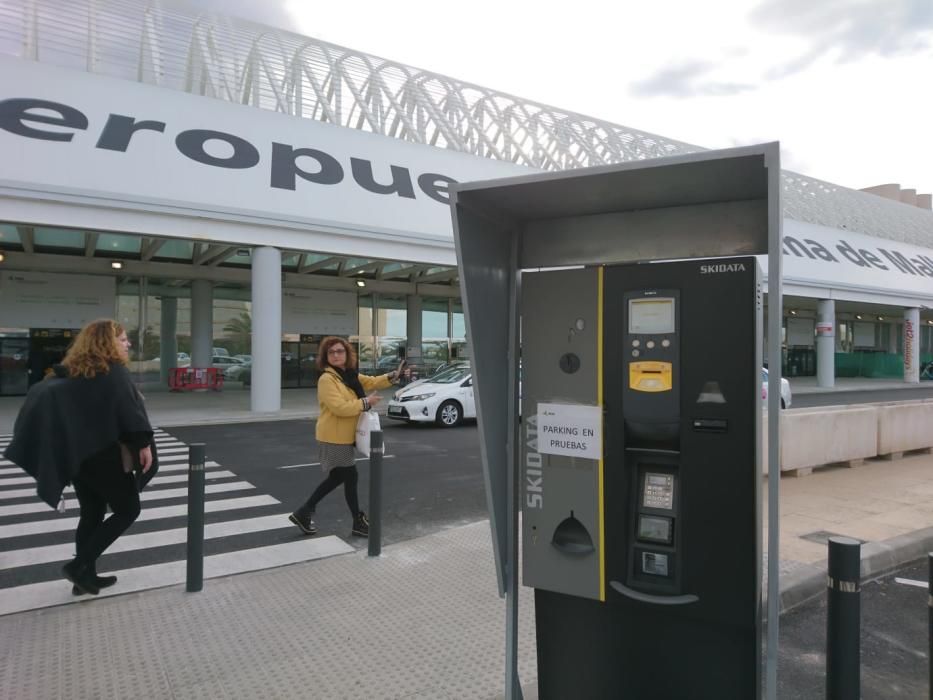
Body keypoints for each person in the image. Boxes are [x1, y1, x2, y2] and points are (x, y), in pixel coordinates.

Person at [3, 319, 157, 596]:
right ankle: (79, 566)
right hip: (104, 455)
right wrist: (143, 444)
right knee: (128, 510)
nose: (128, 344)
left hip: (78, 456)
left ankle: (85, 578)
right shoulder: (113, 372)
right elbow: (128, 411)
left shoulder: (72, 372)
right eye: (122, 339)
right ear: (108, 343)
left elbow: (44, 397)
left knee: (92, 512)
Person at [289, 337, 404, 538]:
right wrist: (366, 403)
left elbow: (370, 381)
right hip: (333, 436)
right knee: (348, 476)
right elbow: (339, 408)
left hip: (343, 435)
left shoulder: (348, 374)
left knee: (339, 477)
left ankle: (305, 512)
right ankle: (356, 521)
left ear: (347, 353)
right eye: (331, 352)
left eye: (340, 351)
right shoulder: (327, 379)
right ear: (325, 356)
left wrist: (393, 375)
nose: (336, 355)